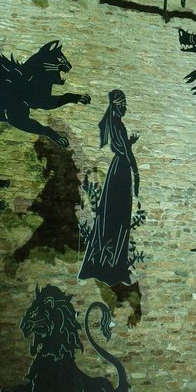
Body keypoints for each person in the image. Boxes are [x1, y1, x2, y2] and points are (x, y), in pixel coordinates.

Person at [78, 90, 139, 286]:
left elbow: (121, 146)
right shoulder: (119, 124)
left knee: (110, 215)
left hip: (116, 169)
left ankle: (106, 265)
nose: (125, 108)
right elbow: (126, 152)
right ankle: (113, 269)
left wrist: (129, 143)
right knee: (119, 217)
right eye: (123, 104)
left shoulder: (113, 123)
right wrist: (136, 172)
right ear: (116, 105)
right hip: (122, 170)